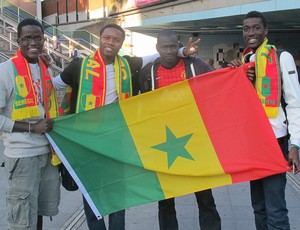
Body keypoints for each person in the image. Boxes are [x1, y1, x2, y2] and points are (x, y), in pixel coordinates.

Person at [51, 23, 198, 230]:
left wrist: (183, 51)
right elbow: (53, 85)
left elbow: (152, 57)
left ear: (121, 43)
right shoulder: (79, 66)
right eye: (107, 38)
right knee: (92, 193)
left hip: (117, 141)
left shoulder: (127, 65)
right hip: (87, 142)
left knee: (117, 195)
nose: (111, 42)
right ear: (100, 39)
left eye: (116, 39)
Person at [134, 29, 221, 230]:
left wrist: (239, 70)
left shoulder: (195, 65)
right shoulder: (148, 72)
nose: (169, 51)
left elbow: (219, 82)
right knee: (165, 200)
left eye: (173, 46)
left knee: (205, 197)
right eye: (164, 47)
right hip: (163, 143)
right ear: (157, 49)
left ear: (178, 46)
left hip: (195, 140)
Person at [230, 11, 300, 230]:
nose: (251, 32)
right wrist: (237, 79)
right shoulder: (245, 60)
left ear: (265, 31)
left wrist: (296, 145)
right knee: (258, 206)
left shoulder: (281, 56)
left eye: (256, 28)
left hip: (275, 142)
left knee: (275, 208)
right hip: (253, 142)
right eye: (246, 28)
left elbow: (295, 102)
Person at [0, 18, 60, 230]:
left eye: (38, 38)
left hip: (48, 153)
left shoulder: (45, 68)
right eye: (27, 38)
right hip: (22, 156)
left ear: (44, 40)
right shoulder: (6, 71)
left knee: (40, 212)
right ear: (18, 41)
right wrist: (31, 128)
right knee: (22, 220)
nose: (33, 42)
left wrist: (51, 65)